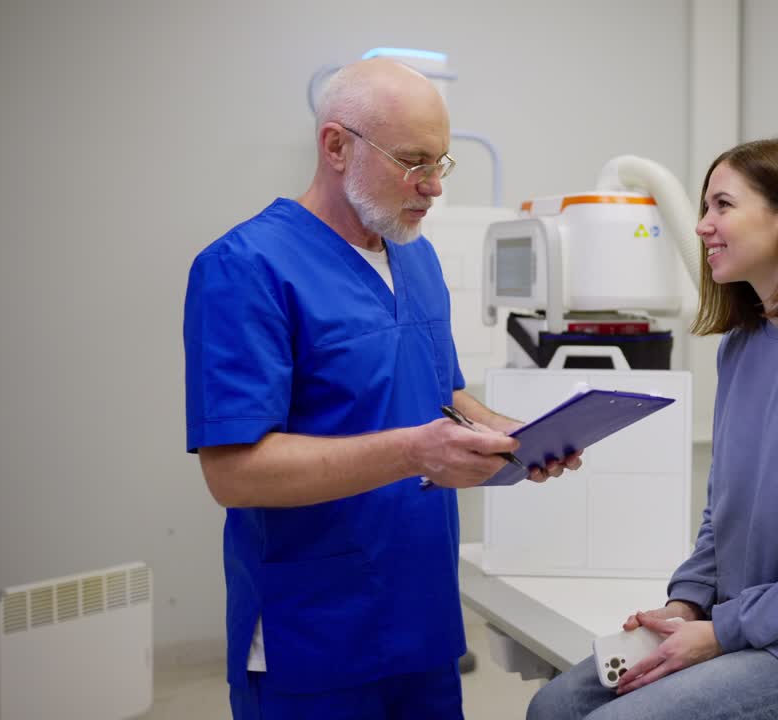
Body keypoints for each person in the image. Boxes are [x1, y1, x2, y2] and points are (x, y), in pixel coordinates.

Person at [183, 58, 579, 720]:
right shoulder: (244, 268)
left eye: (442, 164)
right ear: (336, 146)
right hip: (313, 630)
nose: (433, 188)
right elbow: (233, 474)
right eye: (413, 161)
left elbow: (444, 392)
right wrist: (415, 453)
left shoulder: (415, 255)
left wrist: (513, 437)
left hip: (421, 619)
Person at [527, 136, 778, 720]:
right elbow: (723, 513)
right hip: (747, 627)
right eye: (704, 208)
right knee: (553, 708)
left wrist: (724, 630)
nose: (702, 226)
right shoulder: (743, 347)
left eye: (722, 206)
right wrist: (687, 605)